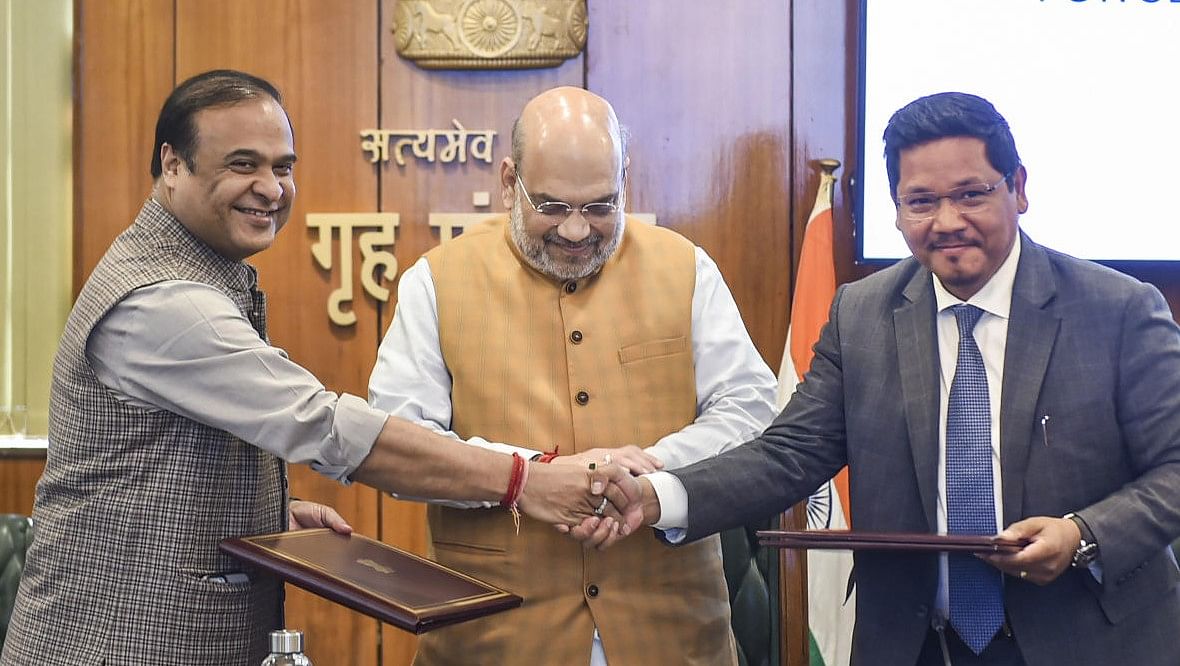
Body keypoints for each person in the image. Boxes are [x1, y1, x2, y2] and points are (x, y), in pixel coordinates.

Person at [0, 70, 626, 666]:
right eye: (242, 164)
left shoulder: (203, 271)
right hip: (119, 644)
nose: (271, 188)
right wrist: (525, 479)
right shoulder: (164, 302)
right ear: (172, 165)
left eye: (283, 167)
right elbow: (323, 425)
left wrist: (263, 510)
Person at [584, 92, 1180, 666]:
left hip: (1090, 640)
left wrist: (1084, 536)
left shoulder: (1118, 311)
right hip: (917, 644)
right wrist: (657, 495)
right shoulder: (862, 314)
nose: (947, 222)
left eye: (971, 194)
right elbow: (787, 454)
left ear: (1018, 189)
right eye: (920, 201)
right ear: (895, 208)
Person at [368, 86, 777, 665]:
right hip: (494, 638)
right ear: (510, 182)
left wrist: (652, 474)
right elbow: (400, 446)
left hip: (673, 634)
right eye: (554, 207)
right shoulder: (435, 281)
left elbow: (752, 409)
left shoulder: (686, 268)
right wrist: (529, 475)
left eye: (601, 206)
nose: (578, 231)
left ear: (625, 180)